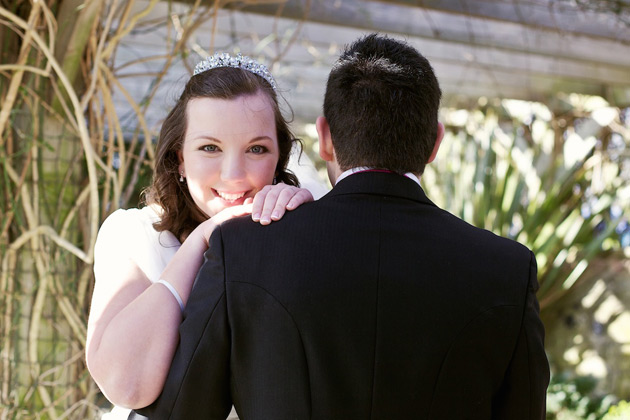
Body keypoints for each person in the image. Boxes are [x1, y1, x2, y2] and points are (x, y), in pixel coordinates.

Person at [132, 34, 550, 419]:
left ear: (325, 137)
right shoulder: (507, 270)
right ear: (435, 142)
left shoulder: (242, 248)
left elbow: (181, 410)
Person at [86, 53, 317, 419]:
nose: (234, 175)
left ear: (279, 158)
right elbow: (126, 386)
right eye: (210, 148)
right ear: (179, 158)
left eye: (257, 149)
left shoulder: (294, 231)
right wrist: (202, 240)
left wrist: (305, 224)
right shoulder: (131, 234)